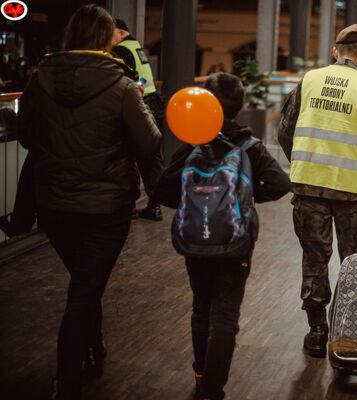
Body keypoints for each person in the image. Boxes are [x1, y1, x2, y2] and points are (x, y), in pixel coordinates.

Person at [15, 5, 162, 399]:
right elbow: (149, 142)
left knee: (84, 282)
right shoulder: (122, 85)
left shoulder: (38, 80)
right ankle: (67, 378)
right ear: (104, 39)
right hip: (105, 207)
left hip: (52, 203)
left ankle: (92, 349)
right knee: (84, 289)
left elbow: (26, 136)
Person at [154, 73, 290, 400]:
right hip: (235, 241)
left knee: (202, 307)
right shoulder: (249, 146)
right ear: (240, 107)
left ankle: (200, 372)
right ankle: (212, 390)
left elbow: (163, 191)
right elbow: (281, 185)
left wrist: (193, 200)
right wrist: (248, 195)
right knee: (226, 314)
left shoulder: (194, 144)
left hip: (195, 242)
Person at [278, 24, 357, 357]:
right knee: (352, 260)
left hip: (309, 186)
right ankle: (348, 327)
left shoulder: (309, 81)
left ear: (335, 51)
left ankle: (317, 332)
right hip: (350, 193)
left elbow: (284, 130)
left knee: (315, 260)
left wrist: (301, 162)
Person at [112, 18, 165, 221]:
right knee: (151, 159)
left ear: (121, 33)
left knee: (131, 158)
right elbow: (141, 77)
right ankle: (155, 204)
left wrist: (134, 92)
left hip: (142, 105)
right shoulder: (136, 46)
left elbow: (128, 80)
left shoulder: (122, 50)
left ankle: (134, 205)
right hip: (152, 103)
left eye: (111, 32)